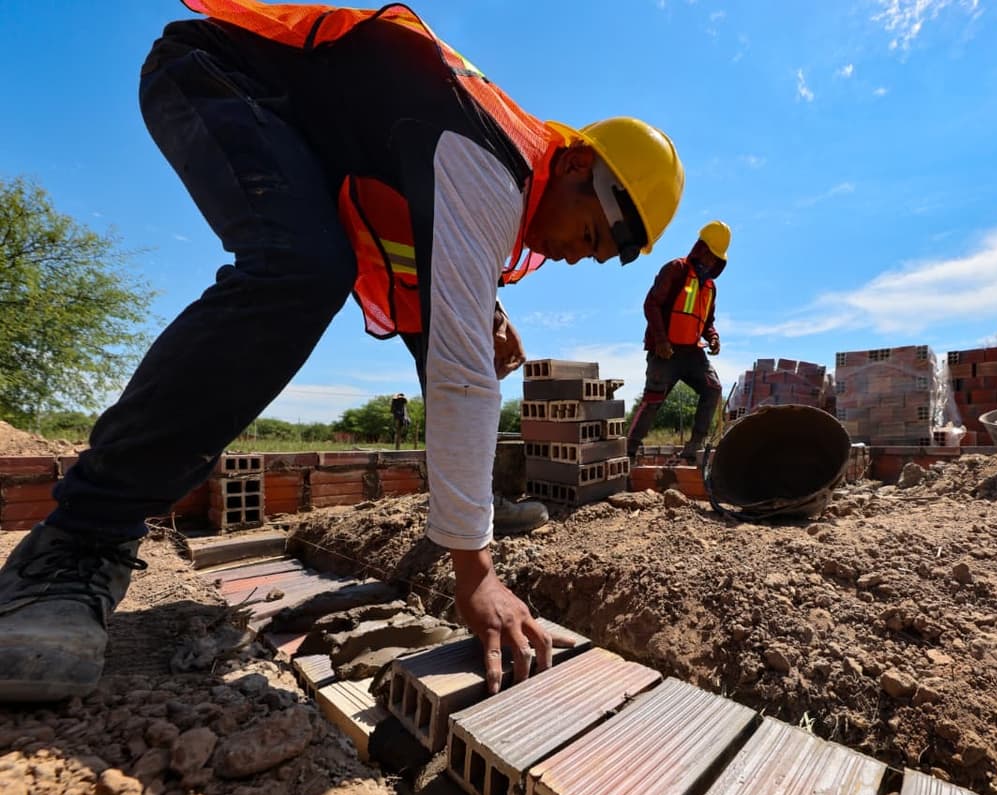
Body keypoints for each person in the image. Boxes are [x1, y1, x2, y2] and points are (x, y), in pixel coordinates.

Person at [0, 0, 684, 702]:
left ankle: (468, 504)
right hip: (218, 76)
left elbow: (433, 252)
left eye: (594, 256)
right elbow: (463, 377)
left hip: (298, 131)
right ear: (573, 162)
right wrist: (474, 573)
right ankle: (73, 546)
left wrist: (487, 308)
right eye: (589, 233)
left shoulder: (496, 163)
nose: (575, 255)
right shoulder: (490, 162)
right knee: (300, 268)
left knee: (421, 311)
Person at [626, 221, 729, 464]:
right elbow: (651, 304)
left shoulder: (710, 287)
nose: (711, 262)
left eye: (717, 259)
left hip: (692, 354)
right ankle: (628, 452)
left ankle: (693, 449)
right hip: (666, 351)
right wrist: (660, 341)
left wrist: (713, 336)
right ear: (699, 248)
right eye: (710, 255)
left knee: (712, 389)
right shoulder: (676, 269)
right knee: (653, 400)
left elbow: (707, 322)